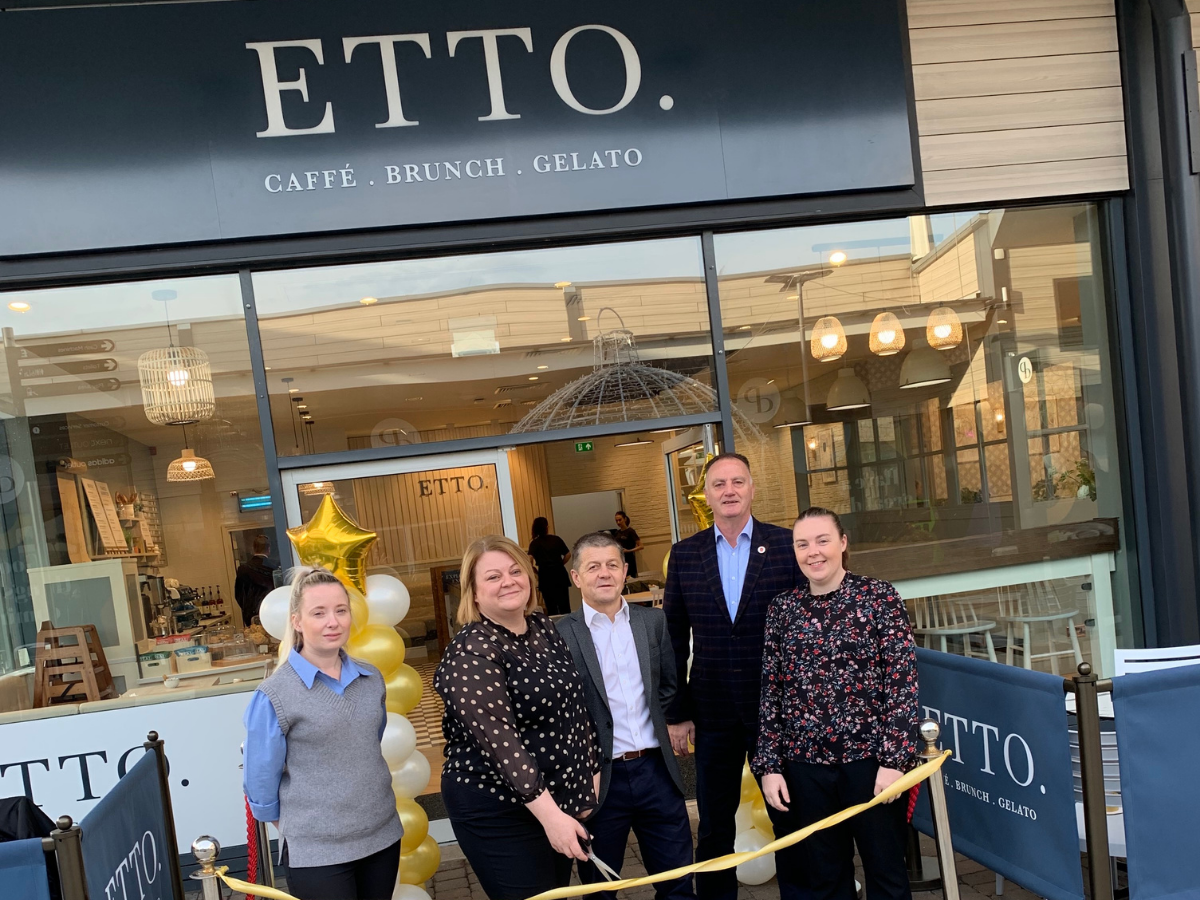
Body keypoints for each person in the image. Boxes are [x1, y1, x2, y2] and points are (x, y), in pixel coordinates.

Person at [754, 507, 919, 900]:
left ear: (843, 544)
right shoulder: (783, 609)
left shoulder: (878, 597)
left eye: (822, 540)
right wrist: (770, 766)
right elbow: (771, 692)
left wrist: (894, 761)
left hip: (871, 766)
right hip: (805, 768)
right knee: (826, 879)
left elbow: (903, 682)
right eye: (803, 544)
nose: (814, 552)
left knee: (887, 876)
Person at [662, 452, 803, 900]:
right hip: (713, 712)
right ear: (706, 494)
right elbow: (671, 639)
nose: (729, 491)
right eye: (719, 483)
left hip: (778, 712)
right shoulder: (685, 555)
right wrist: (678, 711)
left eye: (737, 481)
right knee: (715, 825)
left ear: (751, 489)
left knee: (791, 819)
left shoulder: (786, 546)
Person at [434, 535, 601, 900]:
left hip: (551, 799)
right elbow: (502, 746)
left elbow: (575, 709)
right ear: (474, 594)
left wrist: (588, 782)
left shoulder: (542, 628)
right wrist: (553, 817)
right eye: (493, 577)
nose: (508, 581)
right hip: (495, 808)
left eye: (515, 571)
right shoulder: (471, 651)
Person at [243, 567, 402, 900]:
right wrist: (305, 831)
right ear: (297, 621)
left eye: (340, 610)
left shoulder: (371, 679)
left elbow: (368, 744)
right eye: (319, 613)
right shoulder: (275, 695)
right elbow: (260, 782)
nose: (333, 622)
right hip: (317, 854)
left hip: (382, 836)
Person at [556, 532, 695, 900]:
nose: (604, 573)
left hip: (656, 772)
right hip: (601, 780)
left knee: (679, 882)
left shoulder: (653, 623)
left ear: (624, 571)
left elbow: (668, 685)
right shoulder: (559, 635)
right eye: (593, 567)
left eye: (612, 565)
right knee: (601, 889)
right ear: (576, 577)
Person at [528, 516, 572, 616]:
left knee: (551, 606)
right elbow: (568, 554)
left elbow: (529, 559)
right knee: (564, 605)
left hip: (545, 575)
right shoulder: (556, 539)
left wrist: (534, 569)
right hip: (560, 573)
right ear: (547, 527)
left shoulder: (535, 543)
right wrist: (561, 563)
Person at [235, 534, 276, 624]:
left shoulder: (244, 569)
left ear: (253, 549)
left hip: (252, 615)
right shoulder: (275, 567)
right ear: (269, 549)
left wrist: (248, 610)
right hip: (274, 612)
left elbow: (239, 595)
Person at [612, 510, 643, 576]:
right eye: (616, 521)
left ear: (625, 519)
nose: (618, 522)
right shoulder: (617, 533)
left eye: (620, 520)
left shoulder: (630, 531)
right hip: (620, 560)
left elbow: (641, 546)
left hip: (630, 560)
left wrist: (629, 550)